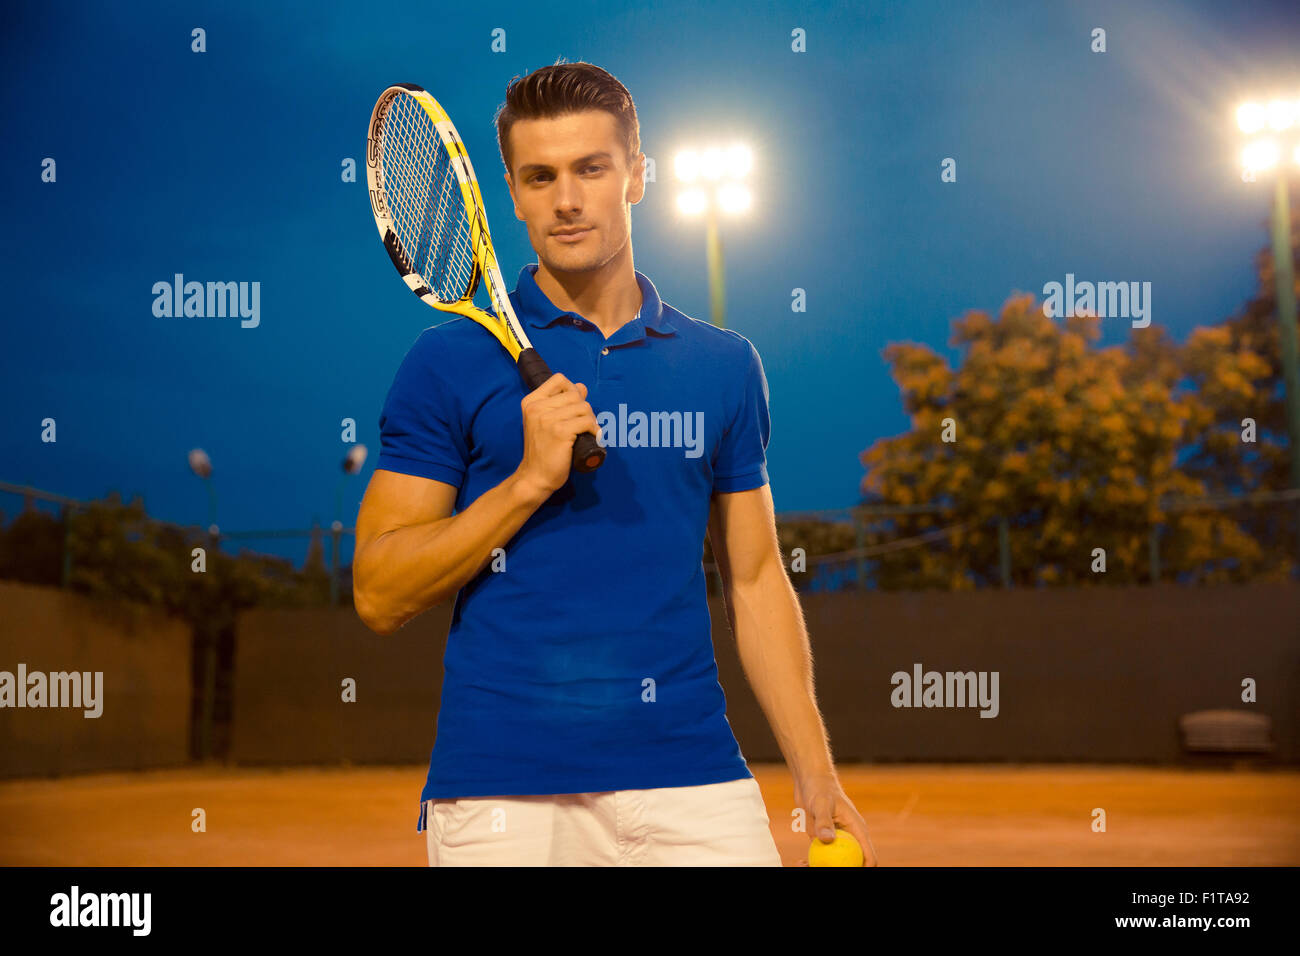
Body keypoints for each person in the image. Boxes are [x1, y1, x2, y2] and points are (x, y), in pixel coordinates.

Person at [353, 60, 876, 867]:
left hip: (692, 777)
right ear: (514, 194)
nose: (567, 199)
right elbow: (380, 590)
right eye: (541, 176)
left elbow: (755, 576)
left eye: (592, 169)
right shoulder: (447, 361)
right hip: (502, 791)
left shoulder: (724, 365)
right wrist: (527, 483)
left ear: (638, 175)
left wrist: (814, 770)